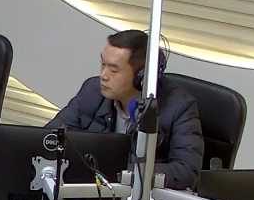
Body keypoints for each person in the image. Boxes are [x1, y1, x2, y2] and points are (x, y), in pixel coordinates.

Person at [48, 30, 204, 190]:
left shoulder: (180, 106)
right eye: (103, 64)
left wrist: (122, 171)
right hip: (92, 192)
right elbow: (50, 138)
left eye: (114, 70)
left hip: (143, 198)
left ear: (141, 76)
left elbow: (186, 172)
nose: (103, 76)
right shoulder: (92, 91)